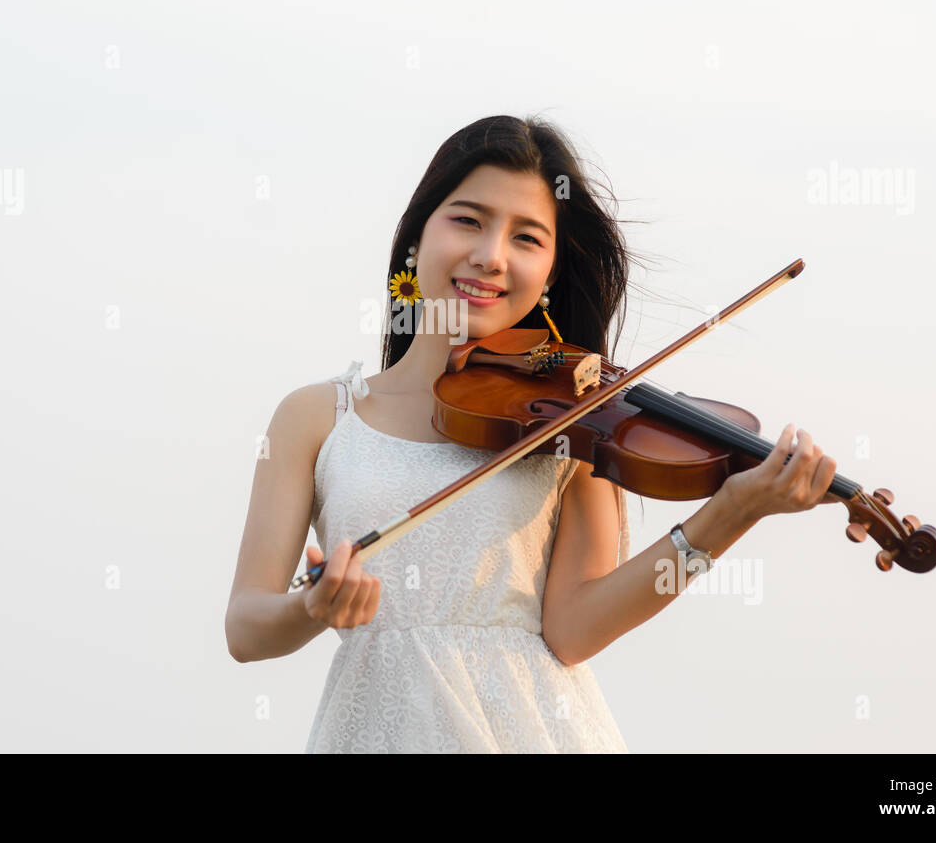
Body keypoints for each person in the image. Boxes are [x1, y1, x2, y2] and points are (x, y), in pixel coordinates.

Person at [224, 114, 838, 752]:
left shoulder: (571, 419)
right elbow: (246, 629)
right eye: (468, 220)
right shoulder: (317, 418)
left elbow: (573, 632)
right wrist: (310, 608)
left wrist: (731, 513)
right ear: (416, 237)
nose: (490, 256)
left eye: (526, 237)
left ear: (547, 275)